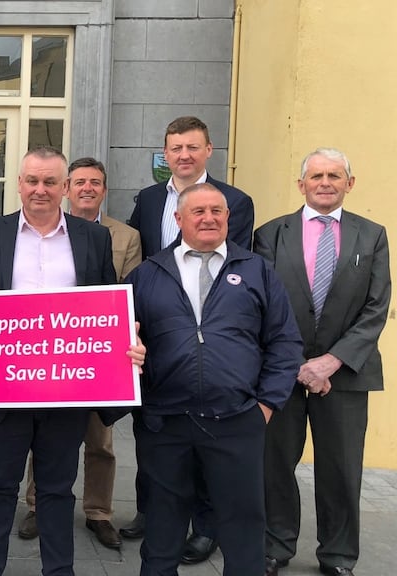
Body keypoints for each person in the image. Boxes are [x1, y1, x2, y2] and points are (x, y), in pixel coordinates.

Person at [0, 147, 143, 575]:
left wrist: (126, 341)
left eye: (50, 182)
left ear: (65, 189)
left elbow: (109, 306)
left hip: (66, 390)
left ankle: (59, 571)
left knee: (57, 489)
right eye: (32, 181)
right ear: (19, 183)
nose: (40, 190)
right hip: (5, 386)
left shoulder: (93, 237)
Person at [127, 182, 303, 576]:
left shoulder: (257, 271)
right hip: (166, 423)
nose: (208, 218)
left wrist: (266, 405)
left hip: (237, 420)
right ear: (178, 219)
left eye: (216, 211)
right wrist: (135, 358)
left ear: (228, 218)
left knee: (243, 530)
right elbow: (125, 341)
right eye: (198, 211)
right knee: (162, 529)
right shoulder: (147, 275)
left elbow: (285, 342)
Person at [124, 116, 255, 562]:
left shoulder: (233, 200)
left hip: (209, 332)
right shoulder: (146, 199)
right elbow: (142, 261)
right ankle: (153, 513)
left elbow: (229, 264)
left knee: (206, 448)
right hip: (160, 329)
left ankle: (205, 526)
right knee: (157, 439)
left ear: (208, 151)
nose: (183, 155)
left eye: (192, 147)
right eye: (175, 148)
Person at [255, 149, 391, 576]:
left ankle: (337, 554)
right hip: (283, 372)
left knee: (341, 468)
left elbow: (376, 306)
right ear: (302, 185)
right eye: (317, 175)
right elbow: (262, 305)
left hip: (347, 374)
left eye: (335, 175)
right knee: (274, 464)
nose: (325, 182)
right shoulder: (271, 234)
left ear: (350, 183)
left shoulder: (372, 235)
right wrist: (296, 363)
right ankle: (275, 545)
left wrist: (331, 362)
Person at [17, 157, 141, 550]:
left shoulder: (123, 236)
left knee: (100, 440)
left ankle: (98, 512)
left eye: (96, 183)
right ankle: (38, 506)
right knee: (45, 434)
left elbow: (126, 293)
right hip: (42, 354)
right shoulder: (37, 232)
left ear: (104, 190)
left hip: (95, 355)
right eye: (81, 182)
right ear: (69, 188)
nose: (88, 189)